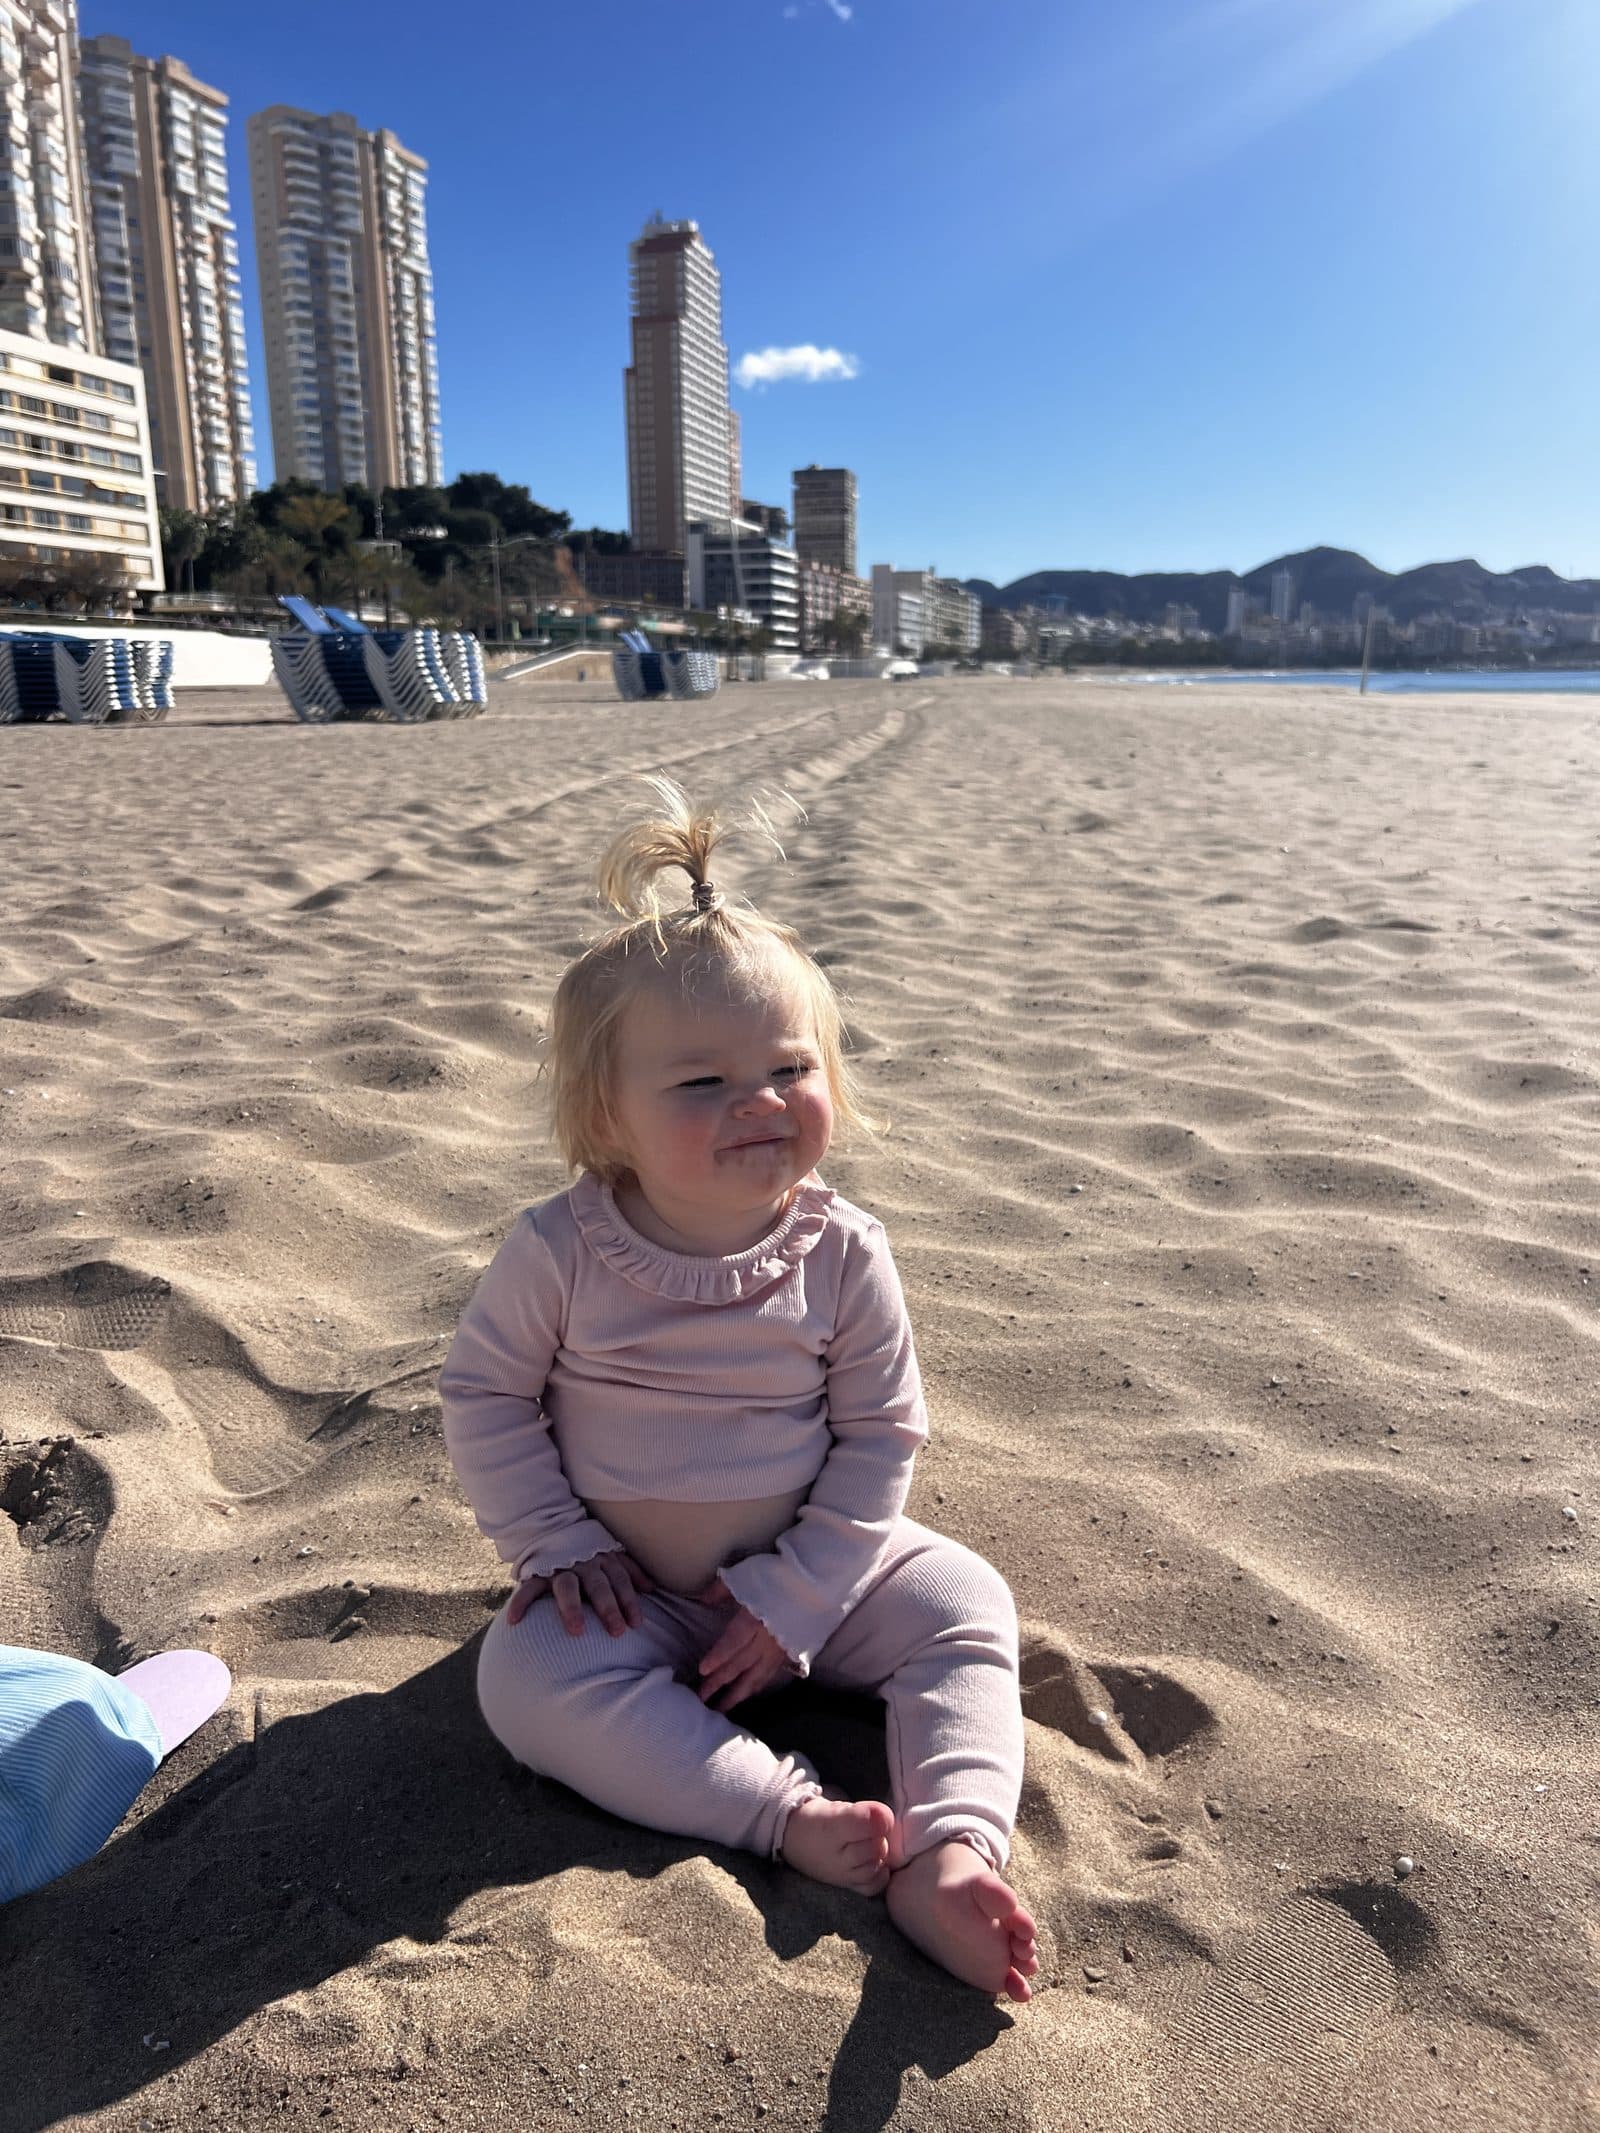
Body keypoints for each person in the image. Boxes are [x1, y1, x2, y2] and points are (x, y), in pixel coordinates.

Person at [440, 780, 1037, 2000]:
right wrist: (552, 1540)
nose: (758, 1103)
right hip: (629, 1591)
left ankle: (952, 1849)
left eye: (788, 1068)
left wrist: (802, 1596)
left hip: (818, 1572)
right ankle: (782, 1812)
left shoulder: (843, 1250)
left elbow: (881, 1435)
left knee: (965, 1600)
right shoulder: (559, 1249)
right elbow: (485, 1398)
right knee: (523, 1687)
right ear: (607, 1115)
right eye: (701, 1084)